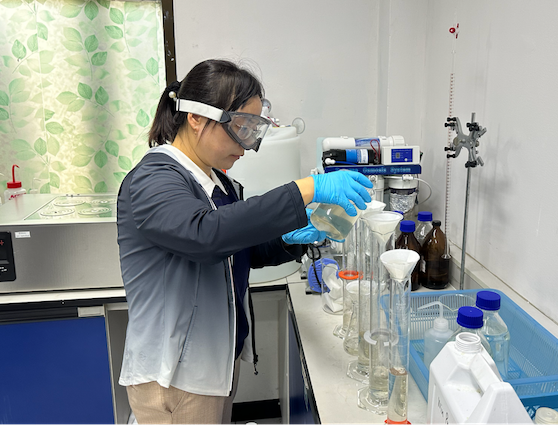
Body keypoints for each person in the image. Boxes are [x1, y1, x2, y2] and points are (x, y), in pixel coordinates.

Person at [116, 59, 372, 425]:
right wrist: (306, 188)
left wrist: (290, 237)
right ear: (196, 118)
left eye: (254, 130)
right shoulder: (154, 178)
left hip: (215, 363)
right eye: (240, 127)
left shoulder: (219, 183)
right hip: (174, 375)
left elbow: (238, 249)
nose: (248, 145)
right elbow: (205, 236)